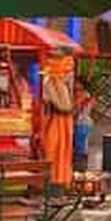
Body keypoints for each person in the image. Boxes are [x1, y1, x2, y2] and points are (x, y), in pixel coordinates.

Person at [42, 56, 74, 192]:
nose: (68, 75)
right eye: (66, 72)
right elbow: (63, 106)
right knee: (54, 152)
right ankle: (53, 183)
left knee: (63, 151)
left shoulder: (60, 83)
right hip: (55, 121)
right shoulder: (51, 82)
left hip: (63, 122)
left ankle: (60, 182)